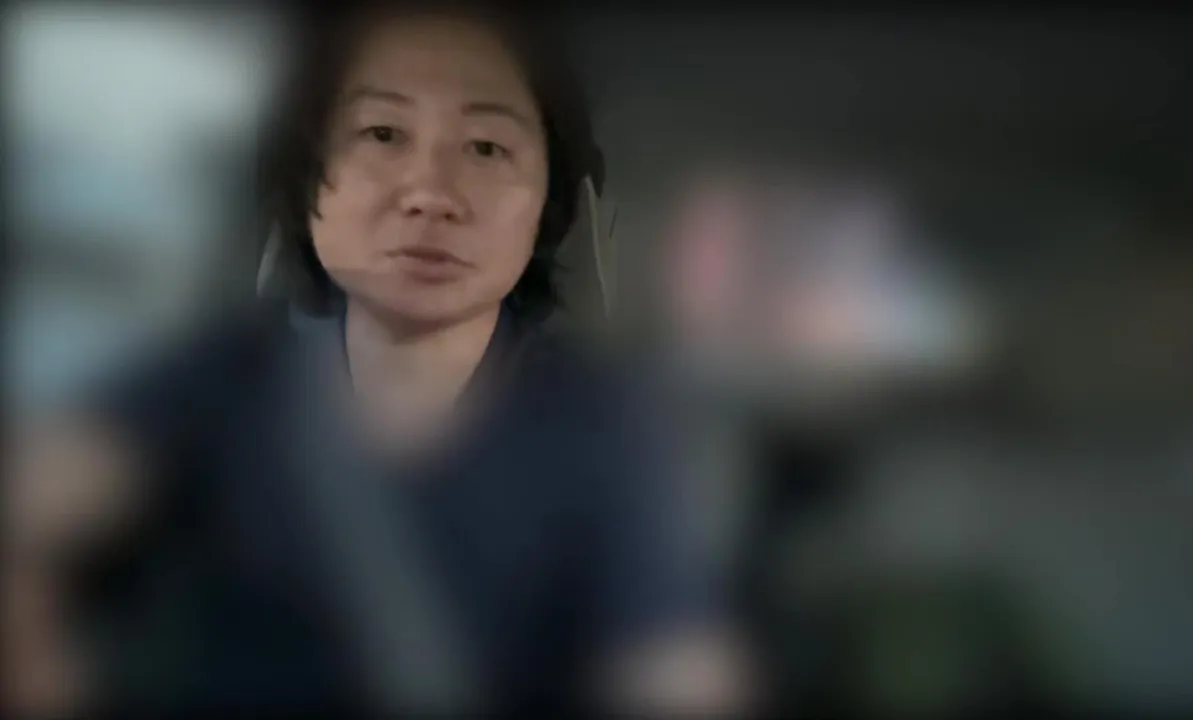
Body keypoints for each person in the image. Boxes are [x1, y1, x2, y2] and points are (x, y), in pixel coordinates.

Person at [3, 2, 744, 713]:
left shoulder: (604, 433)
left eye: (486, 148)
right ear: (308, 176)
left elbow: (672, 670)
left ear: (546, 202)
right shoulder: (228, 378)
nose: (429, 194)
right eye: (383, 133)